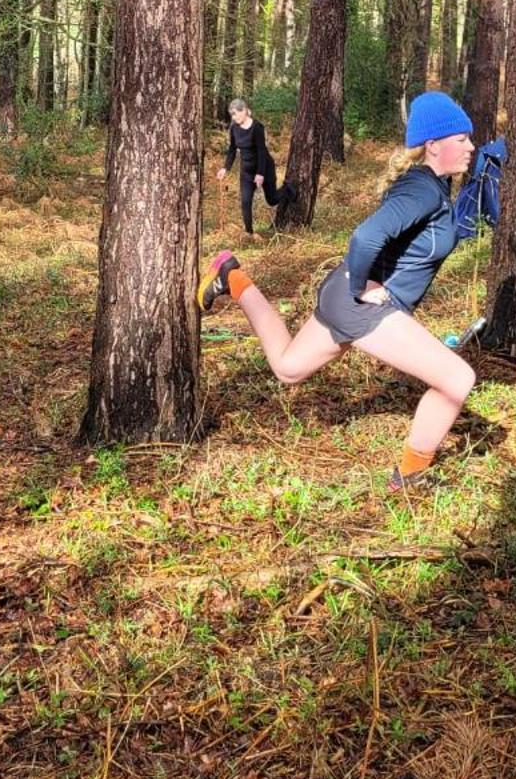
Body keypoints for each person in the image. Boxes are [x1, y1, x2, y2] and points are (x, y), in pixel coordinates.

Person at [197, 90, 479, 491]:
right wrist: (364, 287)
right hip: (365, 305)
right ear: (433, 146)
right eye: (462, 139)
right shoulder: (422, 189)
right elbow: (365, 237)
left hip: (344, 294)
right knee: (457, 378)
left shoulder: (431, 186)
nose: (471, 146)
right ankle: (410, 476)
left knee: (288, 368)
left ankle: (231, 276)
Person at [217, 97, 295, 235]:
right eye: (232, 115)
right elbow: (232, 149)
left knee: (272, 200)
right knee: (245, 201)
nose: (234, 118)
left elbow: (261, 152)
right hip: (246, 171)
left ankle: (287, 189)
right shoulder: (234, 128)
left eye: (235, 114)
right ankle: (249, 233)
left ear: (244, 111)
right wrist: (225, 168)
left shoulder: (257, 127)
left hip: (264, 167)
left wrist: (260, 174)